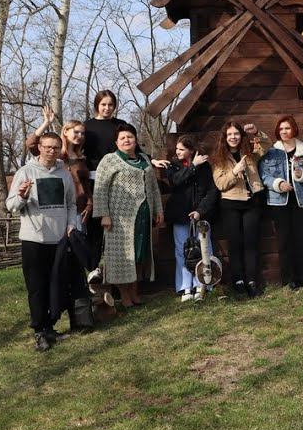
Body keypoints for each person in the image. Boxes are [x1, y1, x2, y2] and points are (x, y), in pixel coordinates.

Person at [7, 133, 81, 351]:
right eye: (47, 147)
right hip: (34, 240)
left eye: (56, 148)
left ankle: (51, 327)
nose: (51, 151)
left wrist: (71, 225)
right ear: (39, 147)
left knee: (55, 285)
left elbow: (71, 205)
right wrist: (21, 196)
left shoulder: (64, 174)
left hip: (58, 239)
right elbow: (11, 205)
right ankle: (39, 331)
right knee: (37, 287)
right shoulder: (26, 172)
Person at [91, 124, 164, 309]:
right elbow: (100, 190)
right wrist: (103, 215)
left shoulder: (144, 160)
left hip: (143, 215)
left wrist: (159, 210)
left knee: (139, 254)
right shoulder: (109, 160)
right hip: (119, 219)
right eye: (122, 138)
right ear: (116, 142)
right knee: (122, 258)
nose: (126, 140)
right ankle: (124, 296)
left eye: (130, 137)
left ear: (135, 140)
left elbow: (154, 188)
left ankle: (135, 292)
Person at [151, 135, 218, 302]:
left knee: (204, 249)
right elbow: (175, 181)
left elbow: (211, 191)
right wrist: (193, 166)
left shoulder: (205, 167)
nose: (178, 152)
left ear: (191, 150)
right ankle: (185, 286)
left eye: (182, 149)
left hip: (200, 215)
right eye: (177, 149)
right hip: (180, 216)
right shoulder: (173, 165)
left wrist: (200, 211)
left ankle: (203, 284)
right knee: (182, 251)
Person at [259, 115, 303, 291]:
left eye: (287, 128)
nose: (284, 132)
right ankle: (291, 280)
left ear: (293, 129)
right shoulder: (271, 151)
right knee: (285, 240)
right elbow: (264, 175)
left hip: (302, 201)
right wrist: (278, 184)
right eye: (281, 129)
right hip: (280, 202)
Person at [209, 121, 269, 298]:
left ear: (241, 136)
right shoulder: (218, 159)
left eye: (236, 134)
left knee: (251, 243)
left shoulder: (250, 153)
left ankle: (251, 280)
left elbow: (266, 145)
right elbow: (220, 184)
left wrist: (257, 131)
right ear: (225, 138)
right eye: (229, 135)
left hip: (252, 202)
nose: (233, 137)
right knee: (235, 244)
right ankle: (238, 281)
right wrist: (235, 172)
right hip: (231, 204)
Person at [82, 91, 129, 270]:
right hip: (94, 182)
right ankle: (93, 271)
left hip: (119, 182)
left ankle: (116, 273)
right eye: (103, 104)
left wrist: (151, 160)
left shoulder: (121, 125)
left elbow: (133, 148)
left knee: (116, 230)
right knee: (95, 231)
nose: (107, 108)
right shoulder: (87, 127)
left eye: (110, 105)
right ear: (97, 105)